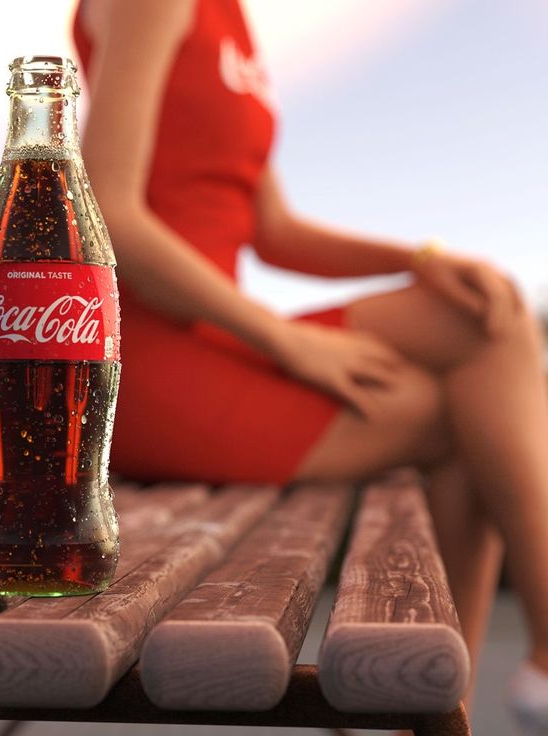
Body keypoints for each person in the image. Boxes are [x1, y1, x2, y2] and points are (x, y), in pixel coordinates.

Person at [72, 0, 548, 729]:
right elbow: (109, 213)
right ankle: (459, 703)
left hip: (219, 342)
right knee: (471, 386)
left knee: (482, 308)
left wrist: (422, 258)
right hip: (149, 362)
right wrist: (290, 341)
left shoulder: (229, 18)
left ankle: (455, 701)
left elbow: (274, 231)